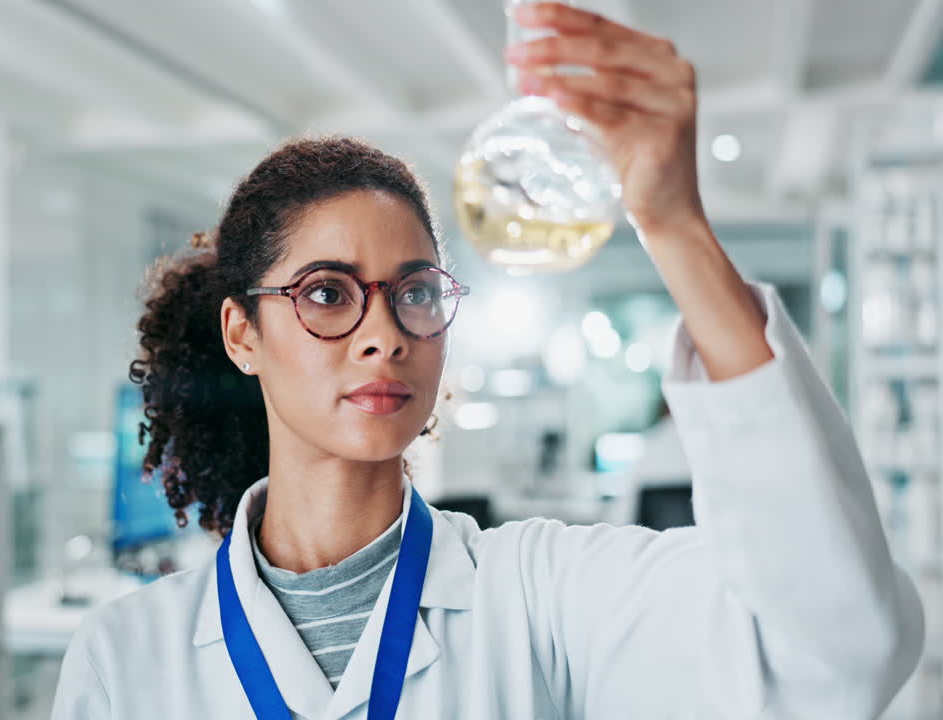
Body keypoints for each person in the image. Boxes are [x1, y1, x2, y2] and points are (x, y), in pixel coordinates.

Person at [52, 4, 924, 718]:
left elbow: (838, 656)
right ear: (243, 334)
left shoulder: (541, 595)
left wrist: (672, 222)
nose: (383, 332)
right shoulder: (129, 658)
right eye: (327, 293)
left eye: (417, 291)